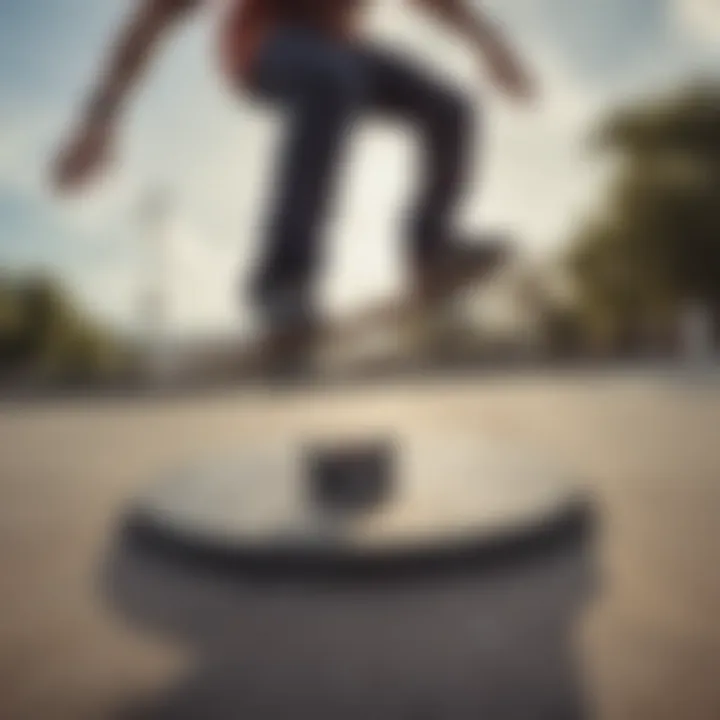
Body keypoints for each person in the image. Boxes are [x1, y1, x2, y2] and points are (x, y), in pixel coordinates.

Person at [53, 0, 536, 349]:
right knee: (330, 79)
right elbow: (152, 18)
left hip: (344, 53)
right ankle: (283, 280)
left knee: (449, 108)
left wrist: (493, 46)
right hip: (264, 50)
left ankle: (430, 251)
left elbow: (443, 7)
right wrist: (101, 117)